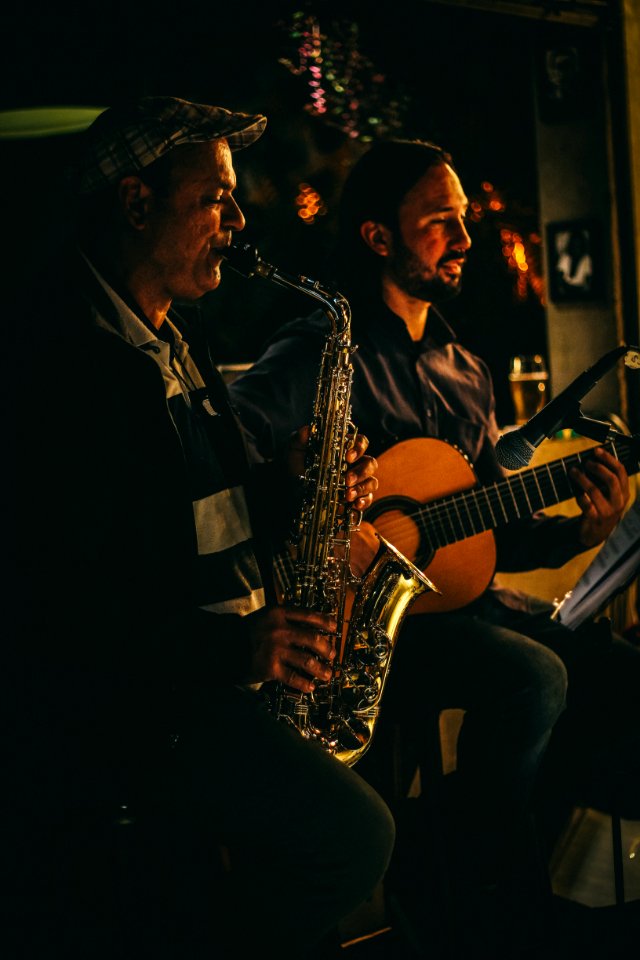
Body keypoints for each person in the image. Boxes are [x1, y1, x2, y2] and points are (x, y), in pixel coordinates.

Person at [5, 97, 396, 960]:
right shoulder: (57, 370)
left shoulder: (175, 342)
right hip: (153, 708)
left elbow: (215, 503)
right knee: (355, 840)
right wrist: (231, 653)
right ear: (137, 202)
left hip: (220, 680)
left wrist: (300, 484)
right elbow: (56, 616)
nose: (238, 219)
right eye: (214, 198)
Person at [229, 139, 640, 957]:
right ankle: (465, 875)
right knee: (533, 676)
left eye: (463, 222)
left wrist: (580, 529)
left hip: (455, 606)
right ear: (380, 237)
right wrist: (301, 479)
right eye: (440, 223)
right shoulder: (320, 346)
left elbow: (482, 536)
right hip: (360, 628)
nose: (463, 239)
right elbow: (232, 441)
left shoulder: (467, 371)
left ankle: (499, 874)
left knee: (611, 678)